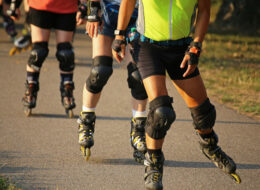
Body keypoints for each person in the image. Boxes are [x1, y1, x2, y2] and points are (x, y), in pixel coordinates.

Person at [112, 0, 241, 189]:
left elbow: (204, 11)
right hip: (147, 46)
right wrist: (119, 34)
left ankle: (210, 145)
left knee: (204, 114)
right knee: (161, 112)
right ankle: (153, 165)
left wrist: (196, 45)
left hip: (180, 49)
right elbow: (128, 2)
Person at [76, 0, 148, 162]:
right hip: (107, 16)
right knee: (99, 72)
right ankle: (86, 121)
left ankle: (138, 130)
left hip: (137, 20)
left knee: (139, 77)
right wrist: (92, 11)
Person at [17, 0, 81, 117]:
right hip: (40, 5)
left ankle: (67, 90)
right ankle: (31, 88)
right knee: (38, 53)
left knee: (66, 54)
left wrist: (85, 7)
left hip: (67, 6)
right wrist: (15, 4)